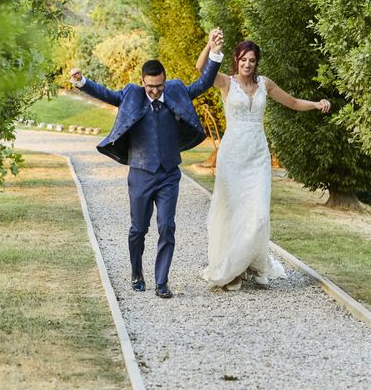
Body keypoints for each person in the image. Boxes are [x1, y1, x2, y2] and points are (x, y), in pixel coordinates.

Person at [69, 30, 224, 298]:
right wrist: (83, 81)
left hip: (168, 174)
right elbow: (107, 94)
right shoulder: (132, 94)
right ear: (143, 82)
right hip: (140, 173)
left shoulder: (175, 91)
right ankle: (136, 271)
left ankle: (161, 281)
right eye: (150, 86)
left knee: (167, 226)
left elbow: (203, 83)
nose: (154, 91)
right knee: (138, 229)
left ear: (164, 81)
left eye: (159, 86)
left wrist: (215, 53)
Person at [199, 33, 331, 290]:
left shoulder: (265, 84)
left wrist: (316, 104)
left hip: (258, 155)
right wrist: (210, 44)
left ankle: (248, 262)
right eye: (243, 60)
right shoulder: (226, 82)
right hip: (232, 155)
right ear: (236, 60)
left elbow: (292, 102)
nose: (247, 64)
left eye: (252, 60)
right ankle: (232, 268)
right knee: (232, 209)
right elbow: (201, 68)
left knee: (258, 212)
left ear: (256, 63)